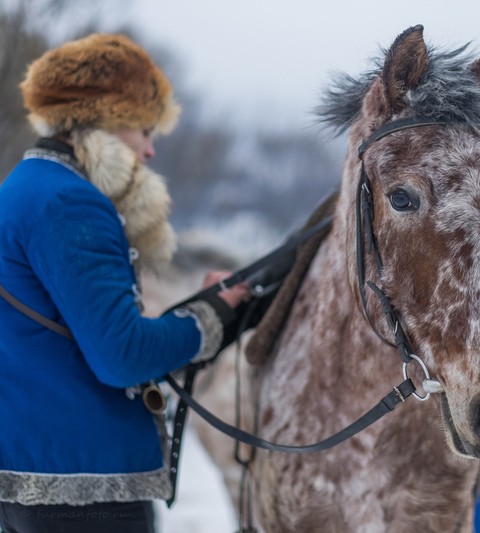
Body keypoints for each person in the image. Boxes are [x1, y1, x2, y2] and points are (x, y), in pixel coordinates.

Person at [0, 33, 250, 532]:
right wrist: (214, 316)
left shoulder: (21, 189)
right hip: (85, 487)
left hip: (32, 472)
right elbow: (123, 355)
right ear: (104, 123)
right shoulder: (72, 203)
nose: (151, 150)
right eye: (144, 130)